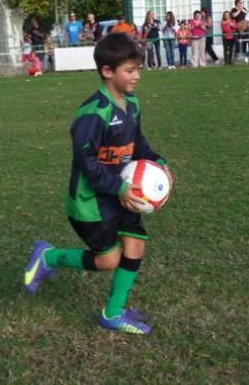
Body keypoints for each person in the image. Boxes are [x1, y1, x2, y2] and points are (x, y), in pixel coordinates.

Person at [23, 32, 171, 335]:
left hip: (123, 195)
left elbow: (137, 144)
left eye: (137, 69)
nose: (137, 76)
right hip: (91, 202)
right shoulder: (93, 113)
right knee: (108, 261)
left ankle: (112, 314)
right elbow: (86, 161)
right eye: (130, 70)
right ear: (107, 71)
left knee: (135, 247)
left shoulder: (131, 105)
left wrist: (159, 163)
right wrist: (117, 187)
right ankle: (49, 257)